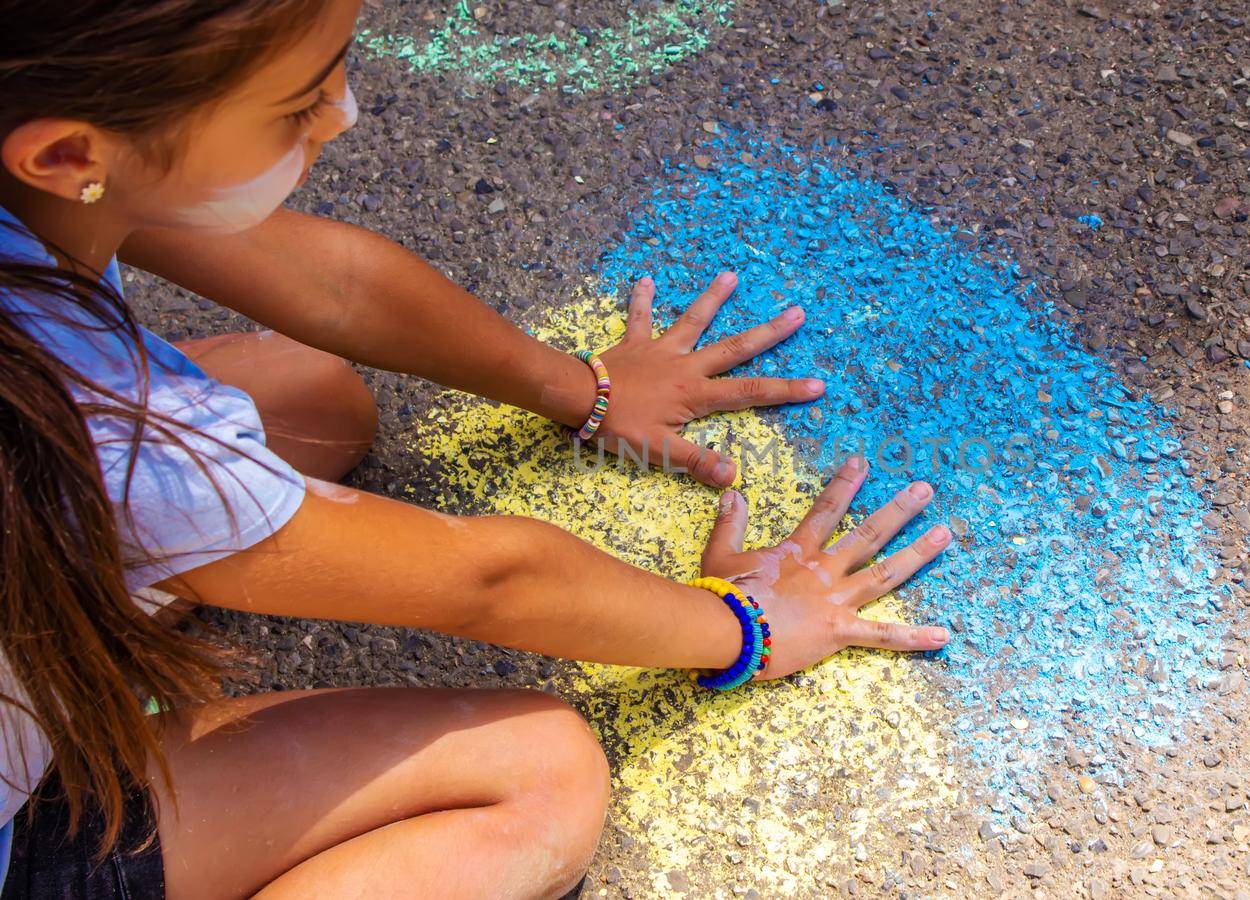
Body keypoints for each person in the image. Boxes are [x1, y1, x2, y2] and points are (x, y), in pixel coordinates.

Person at [0, 2, 954, 897]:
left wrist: (587, 389)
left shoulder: (47, 167)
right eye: (296, 105)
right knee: (540, 773)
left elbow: (333, 290)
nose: (341, 114)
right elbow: (490, 581)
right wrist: (748, 624)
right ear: (69, 153)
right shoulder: (123, 435)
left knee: (310, 398)